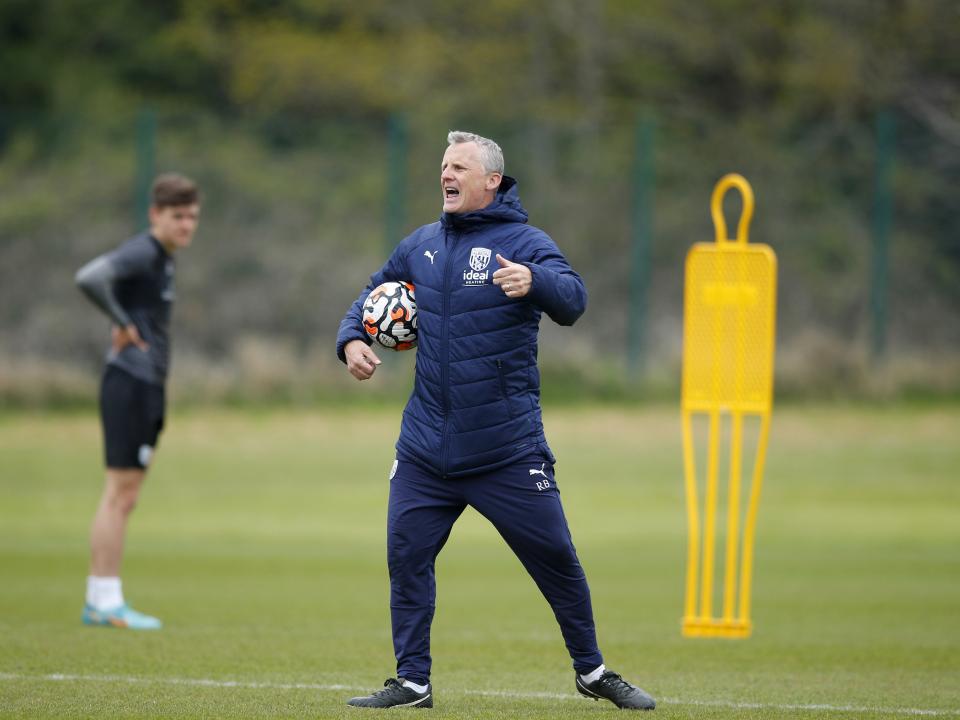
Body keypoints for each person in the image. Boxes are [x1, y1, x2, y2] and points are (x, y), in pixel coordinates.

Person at [336, 131, 655, 710]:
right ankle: (412, 683)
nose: (446, 174)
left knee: (556, 557)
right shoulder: (421, 245)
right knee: (406, 557)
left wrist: (535, 282)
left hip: (506, 449)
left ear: (491, 181)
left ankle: (592, 671)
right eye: (442, 165)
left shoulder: (524, 242)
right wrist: (352, 338)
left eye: (459, 166)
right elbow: (371, 293)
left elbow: (575, 298)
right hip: (425, 449)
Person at [75, 173, 201, 630]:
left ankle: (103, 598)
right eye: (177, 216)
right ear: (155, 216)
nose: (186, 225)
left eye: (191, 217)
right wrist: (122, 322)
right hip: (129, 382)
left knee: (125, 496)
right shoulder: (144, 251)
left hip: (145, 385)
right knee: (119, 495)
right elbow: (88, 277)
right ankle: (103, 601)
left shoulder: (162, 258)